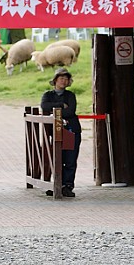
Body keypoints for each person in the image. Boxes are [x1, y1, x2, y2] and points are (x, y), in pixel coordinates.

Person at [40, 68, 82, 198]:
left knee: (70, 159)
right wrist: (61, 105)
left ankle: (67, 186)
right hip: (56, 132)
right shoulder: (48, 95)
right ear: (55, 80)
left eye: (66, 79)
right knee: (57, 158)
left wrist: (55, 111)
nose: (63, 81)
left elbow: (71, 112)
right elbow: (44, 106)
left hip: (71, 130)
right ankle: (57, 184)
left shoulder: (71, 96)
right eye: (61, 78)